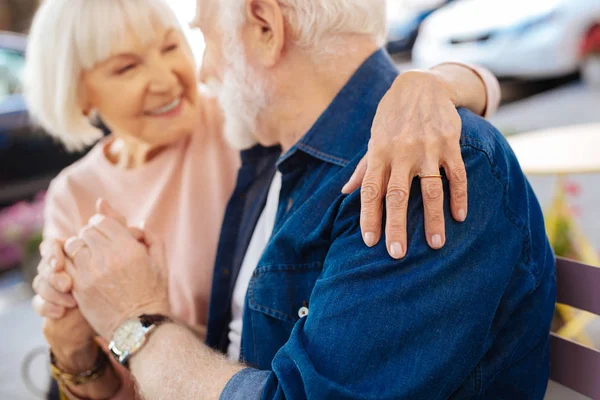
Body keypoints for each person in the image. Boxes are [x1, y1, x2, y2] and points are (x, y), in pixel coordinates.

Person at [43, 0, 556, 399]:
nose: (200, 75)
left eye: (200, 37)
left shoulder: (416, 166)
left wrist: (137, 322)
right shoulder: (268, 150)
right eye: (126, 66)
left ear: (265, 27)